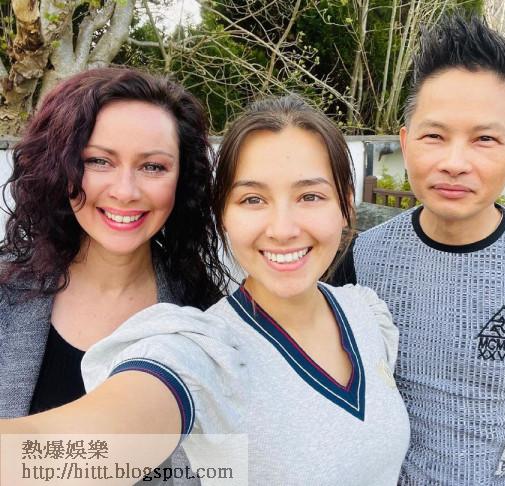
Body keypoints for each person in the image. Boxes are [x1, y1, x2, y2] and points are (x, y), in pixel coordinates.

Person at [1, 95, 410, 485]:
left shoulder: (365, 313)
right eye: (253, 199)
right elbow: (106, 441)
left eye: (310, 196)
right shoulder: (203, 349)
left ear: (346, 205)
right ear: (223, 214)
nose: (283, 228)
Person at [332, 15, 505, 486]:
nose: (454, 162)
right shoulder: (362, 259)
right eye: (434, 136)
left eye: (485, 138)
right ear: (406, 143)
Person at [0, 67, 228, 484]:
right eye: (98, 161)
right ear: (59, 167)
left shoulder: (208, 319)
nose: (125, 191)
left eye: (153, 167)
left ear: (183, 180)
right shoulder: (5, 295)